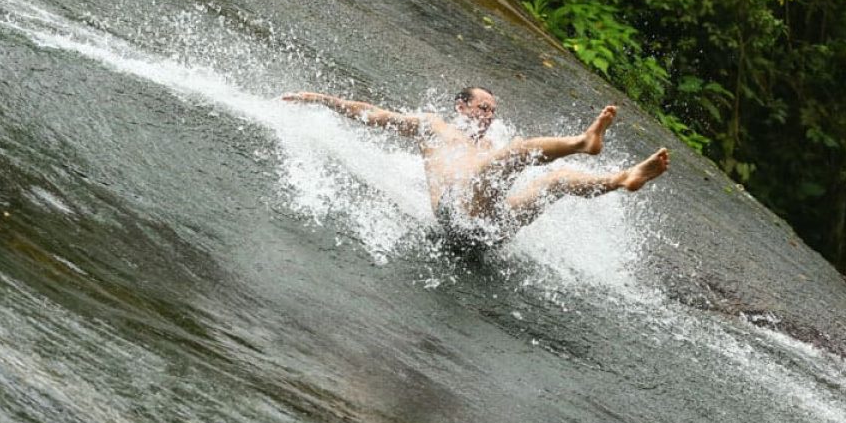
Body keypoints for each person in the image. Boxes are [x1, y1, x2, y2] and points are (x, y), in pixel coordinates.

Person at [282, 86, 669, 250]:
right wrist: (319, 98)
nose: (487, 115)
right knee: (517, 152)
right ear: (461, 106)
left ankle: (621, 179)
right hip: (456, 216)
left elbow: (500, 174)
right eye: (481, 108)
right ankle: (583, 143)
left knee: (556, 180)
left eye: (492, 111)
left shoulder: (489, 144)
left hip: (490, 229)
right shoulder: (434, 127)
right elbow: (373, 115)